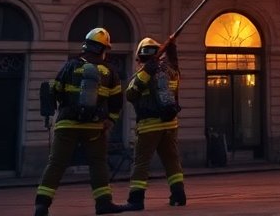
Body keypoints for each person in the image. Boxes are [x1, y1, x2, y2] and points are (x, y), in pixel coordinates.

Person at [34, 27, 127, 216]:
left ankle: (42, 205)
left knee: (56, 163)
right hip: (94, 126)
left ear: (86, 46)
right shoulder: (110, 71)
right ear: (103, 49)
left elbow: (56, 90)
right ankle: (103, 204)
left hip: (67, 124)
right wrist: (110, 120)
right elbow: (117, 102)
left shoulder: (70, 66)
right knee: (98, 163)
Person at [124, 37, 186, 209]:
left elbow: (130, 95)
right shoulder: (171, 71)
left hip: (148, 126)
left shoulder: (143, 74)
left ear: (140, 56)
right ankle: (179, 195)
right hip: (170, 125)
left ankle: (136, 199)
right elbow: (176, 72)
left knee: (141, 163)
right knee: (172, 160)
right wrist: (172, 50)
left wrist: (145, 72)